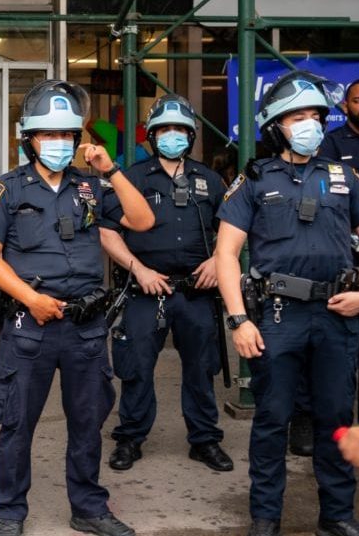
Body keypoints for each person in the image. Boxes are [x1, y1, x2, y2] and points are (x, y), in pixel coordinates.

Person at [0, 80, 153, 536]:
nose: (58, 143)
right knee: (16, 424)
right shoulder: (6, 190)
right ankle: (10, 513)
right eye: (48, 135)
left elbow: (142, 220)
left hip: (86, 329)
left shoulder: (92, 187)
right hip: (29, 326)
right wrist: (31, 298)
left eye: (66, 135)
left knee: (88, 423)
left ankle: (89, 507)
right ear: (28, 138)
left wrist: (112, 170)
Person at [215, 70, 359, 536]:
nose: (311, 123)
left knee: (336, 417)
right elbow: (225, 254)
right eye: (298, 116)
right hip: (276, 318)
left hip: (337, 316)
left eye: (316, 115)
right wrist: (238, 320)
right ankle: (265, 516)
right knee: (273, 420)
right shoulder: (255, 180)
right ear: (277, 125)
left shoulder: (345, 177)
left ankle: (337, 515)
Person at [100, 94, 232, 474]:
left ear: (190, 137)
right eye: (164, 130)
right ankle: (130, 438)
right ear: (152, 135)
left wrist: (216, 260)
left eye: (179, 130)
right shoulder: (133, 179)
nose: (172, 135)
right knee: (136, 367)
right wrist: (137, 268)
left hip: (196, 291)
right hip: (146, 291)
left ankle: (205, 440)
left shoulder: (209, 179)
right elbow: (108, 233)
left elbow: (231, 230)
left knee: (201, 369)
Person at [290, 78, 359, 458]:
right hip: (335, 259)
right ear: (346, 105)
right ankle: (306, 419)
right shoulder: (332, 148)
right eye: (358, 99)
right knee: (318, 355)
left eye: (314, 116)